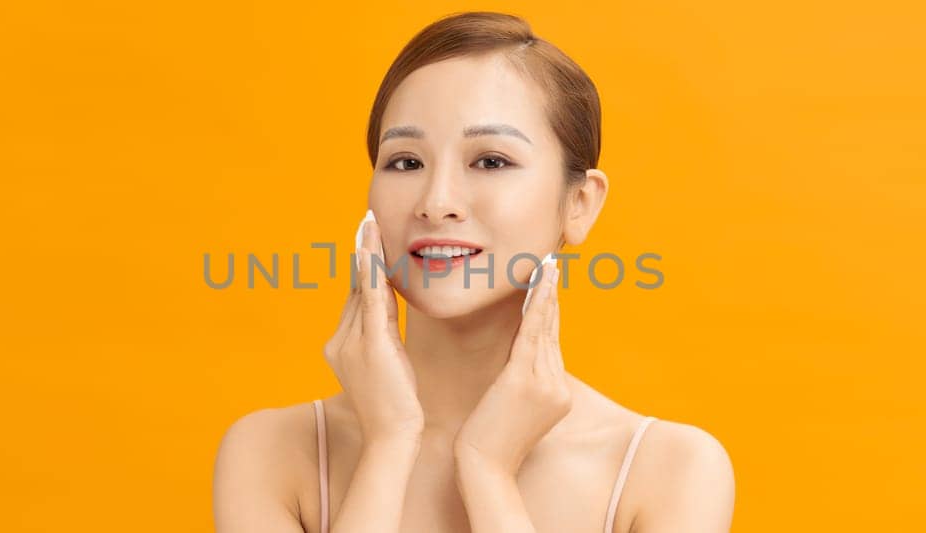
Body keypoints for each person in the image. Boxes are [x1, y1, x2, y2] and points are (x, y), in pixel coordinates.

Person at [213, 11, 734, 533]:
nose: (436, 203)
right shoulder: (270, 454)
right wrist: (389, 443)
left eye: (490, 161)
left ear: (578, 203)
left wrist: (487, 472)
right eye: (405, 162)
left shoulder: (669, 470)